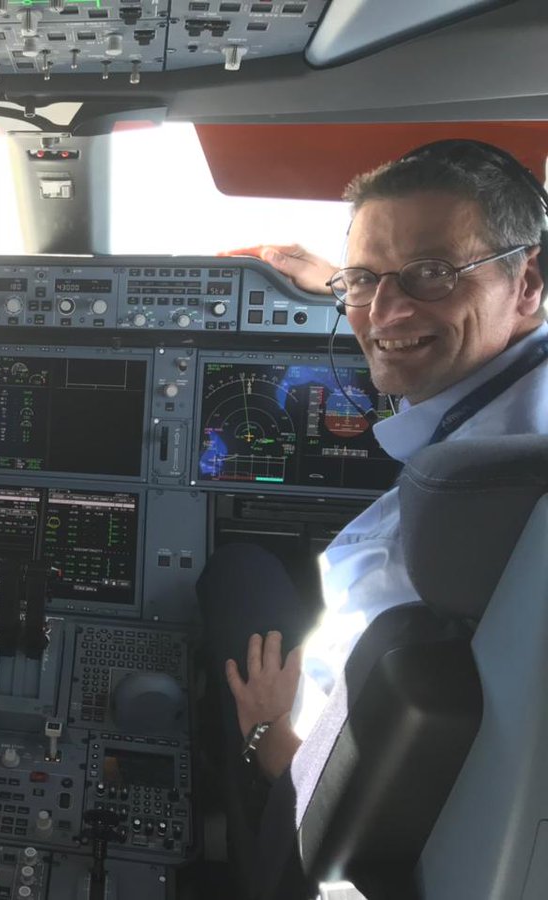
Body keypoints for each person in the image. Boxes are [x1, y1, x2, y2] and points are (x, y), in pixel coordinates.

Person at [203, 139, 548, 892]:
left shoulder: (470, 512)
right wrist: (357, 278)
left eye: (431, 272)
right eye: (364, 280)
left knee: (234, 570)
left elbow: (351, 772)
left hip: (323, 802)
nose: (384, 314)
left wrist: (267, 734)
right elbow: (409, 305)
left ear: (527, 281)